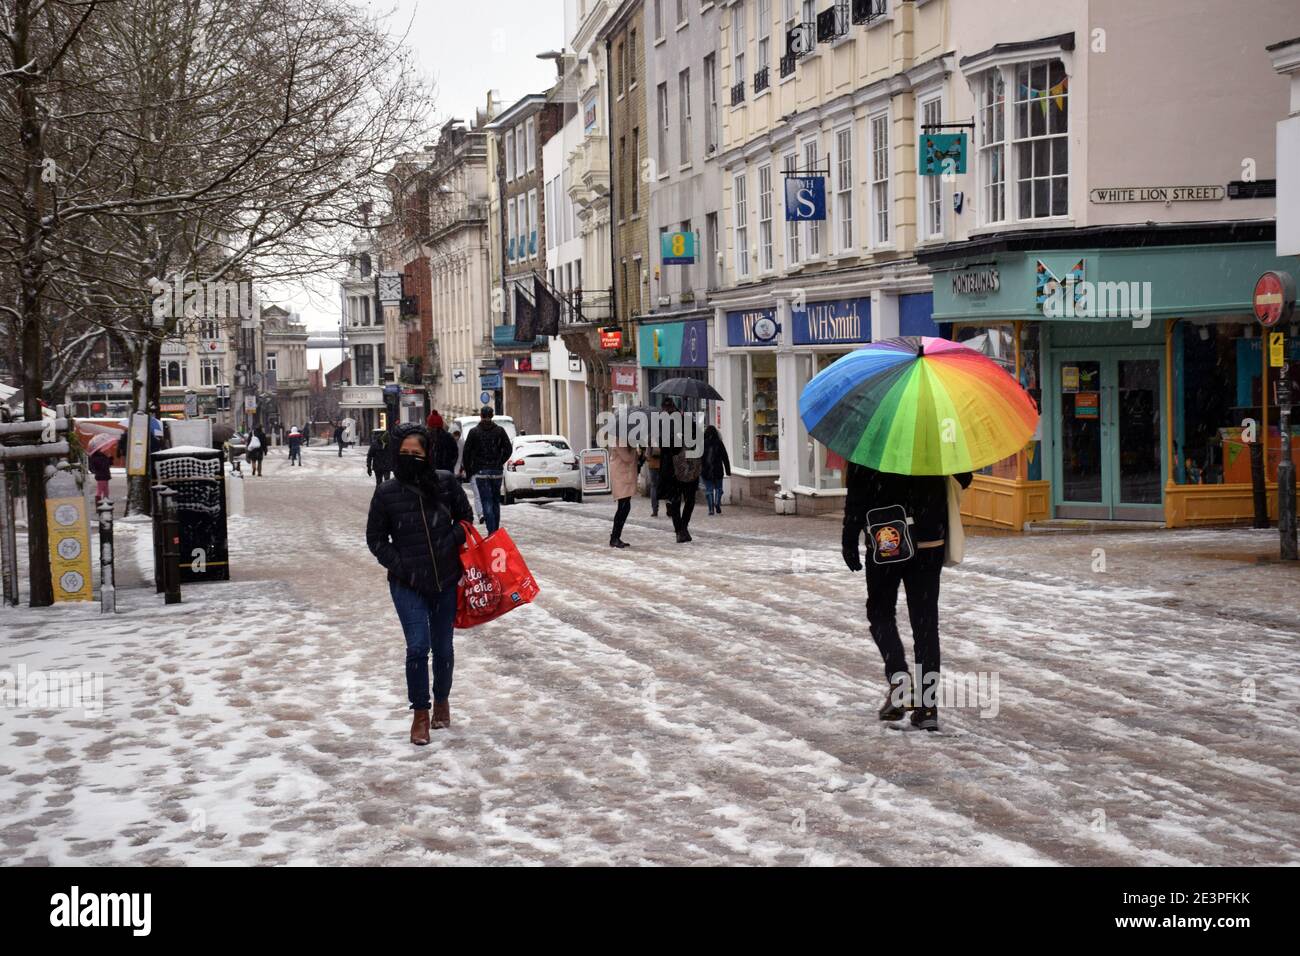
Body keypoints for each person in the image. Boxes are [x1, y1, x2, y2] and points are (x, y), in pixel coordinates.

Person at [841, 463, 973, 733]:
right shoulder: (935, 440)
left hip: (887, 537)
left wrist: (849, 536)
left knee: (880, 613)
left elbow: (857, 492)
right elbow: (965, 477)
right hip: (929, 539)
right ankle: (926, 708)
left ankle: (900, 680)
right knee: (925, 624)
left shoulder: (874, 438)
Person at [367, 423, 473, 745]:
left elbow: (466, 519)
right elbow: (375, 539)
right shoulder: (386, 492)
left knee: (442, 648)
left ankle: (441, 699)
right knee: (417, 647)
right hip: (407, 583)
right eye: (405, 453)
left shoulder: (445, 482)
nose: (411, 457)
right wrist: (402, 566)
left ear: (427, 454)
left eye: (417, 452)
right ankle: (420, 714)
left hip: (445, 578)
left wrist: (448, 540)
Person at [461, 406, 513, 534]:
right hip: (496, 472)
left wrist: (469, 471)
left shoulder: (474, 432)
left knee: (486, 501)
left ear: (481, 415)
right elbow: (508, 449)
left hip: (481, 472)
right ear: (492, 415)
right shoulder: (499, 431)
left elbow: (466, 453)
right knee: (495, 501)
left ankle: (492, 531)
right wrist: (499, 461)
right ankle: (495, 529)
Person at [656, 398, 700, 543]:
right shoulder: (665, 424)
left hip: (682, 467)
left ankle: (681, 529)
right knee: (685, 499)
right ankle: (681, 529)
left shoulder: (682, 421)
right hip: (679, 468)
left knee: (680, 500)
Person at [608, 443, 640, 549]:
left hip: (625, 477)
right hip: (620, 478)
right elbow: (627, 458)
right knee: (623, 507)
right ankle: (614, 538)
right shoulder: (619, 441)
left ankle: (616, 537)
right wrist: (634, 448)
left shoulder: (626, 441)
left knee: (625, 507)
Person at [701, 424, 732, 515]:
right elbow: (725, 457)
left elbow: (699, 458)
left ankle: (711, 509)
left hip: (706, 470)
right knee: (719, 488)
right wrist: (728, 470)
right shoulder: (719, 443)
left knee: (709, 490)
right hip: (718, 469)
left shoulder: (703, 443)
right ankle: (717, 503)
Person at [644, 446, 661, 517]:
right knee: (666, 485)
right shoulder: (665, 436)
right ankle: (669, 508)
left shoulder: (650, 436)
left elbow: (647, 454)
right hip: (663, 463)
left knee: (654, 486)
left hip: (653, 464)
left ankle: (655, 510)